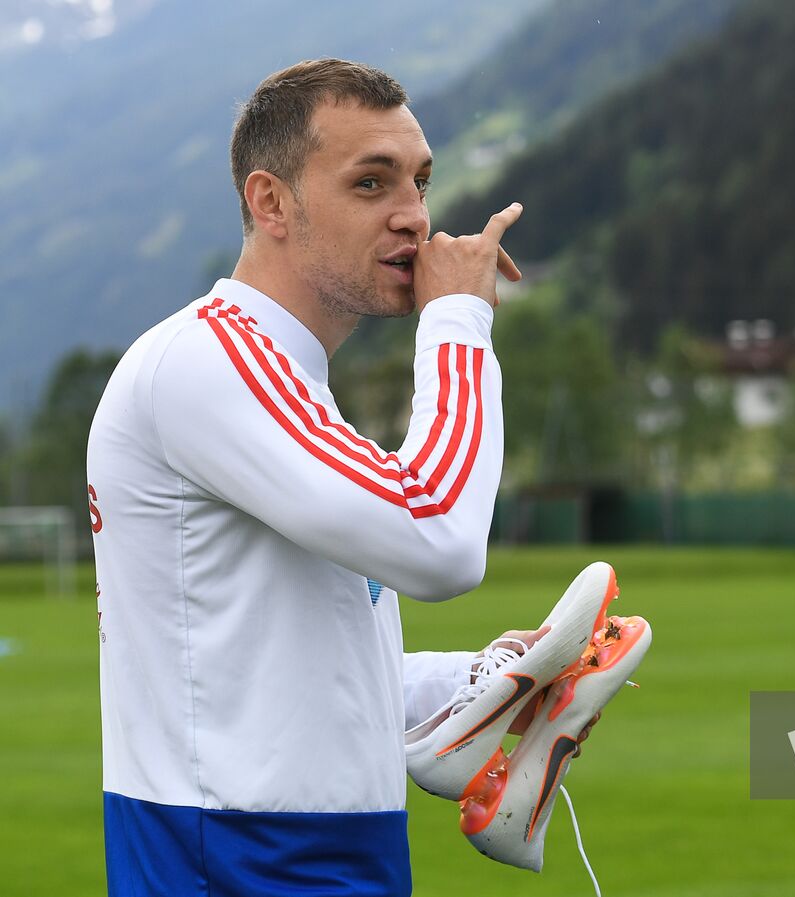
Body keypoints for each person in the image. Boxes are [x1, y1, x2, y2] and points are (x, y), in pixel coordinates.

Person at [88, 59, 556, 896]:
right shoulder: (213, 361)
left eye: (420, 181)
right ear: (270, 203)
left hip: (310, 857)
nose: (414, 217)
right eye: (371, 183)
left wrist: (480, 679)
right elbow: (440, 540)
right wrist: (458, 321)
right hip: (240, 863)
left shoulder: (283, 381)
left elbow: (298, 665)